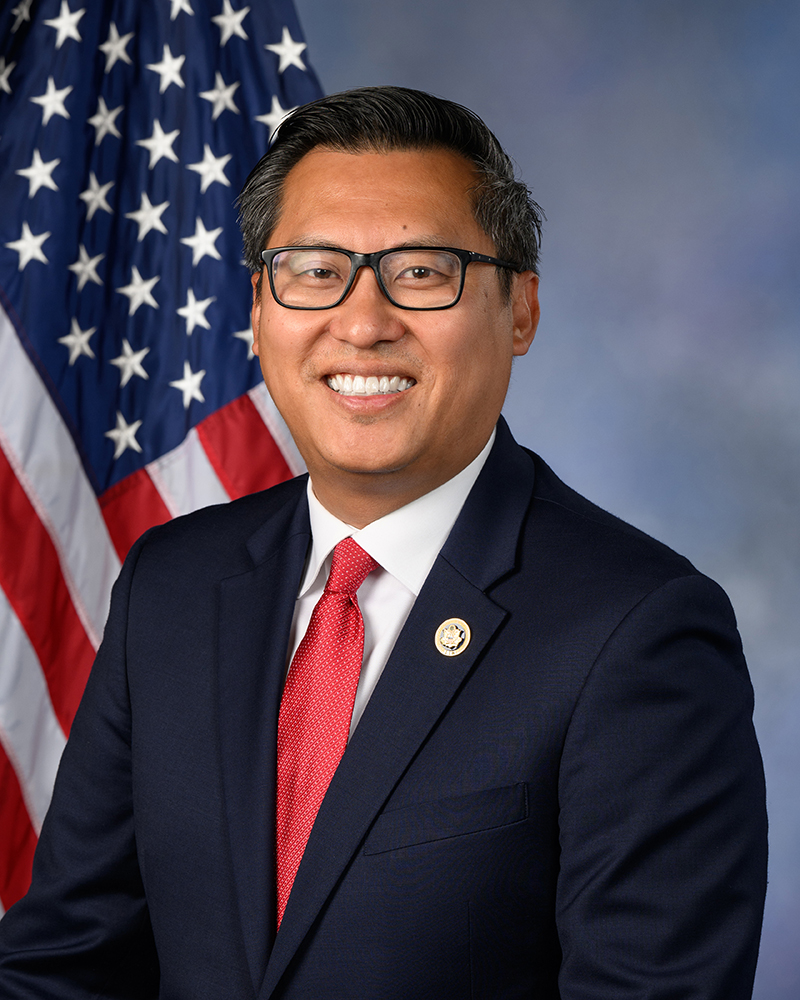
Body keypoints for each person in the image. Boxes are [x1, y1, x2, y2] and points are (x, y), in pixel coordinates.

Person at [0, 86, 767, 999]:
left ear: (519, 310)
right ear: (258, 306)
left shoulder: (640, 631)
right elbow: (64, 967)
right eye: (316, 270)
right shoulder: (172, 583)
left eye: (421, 271)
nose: (362, 323)